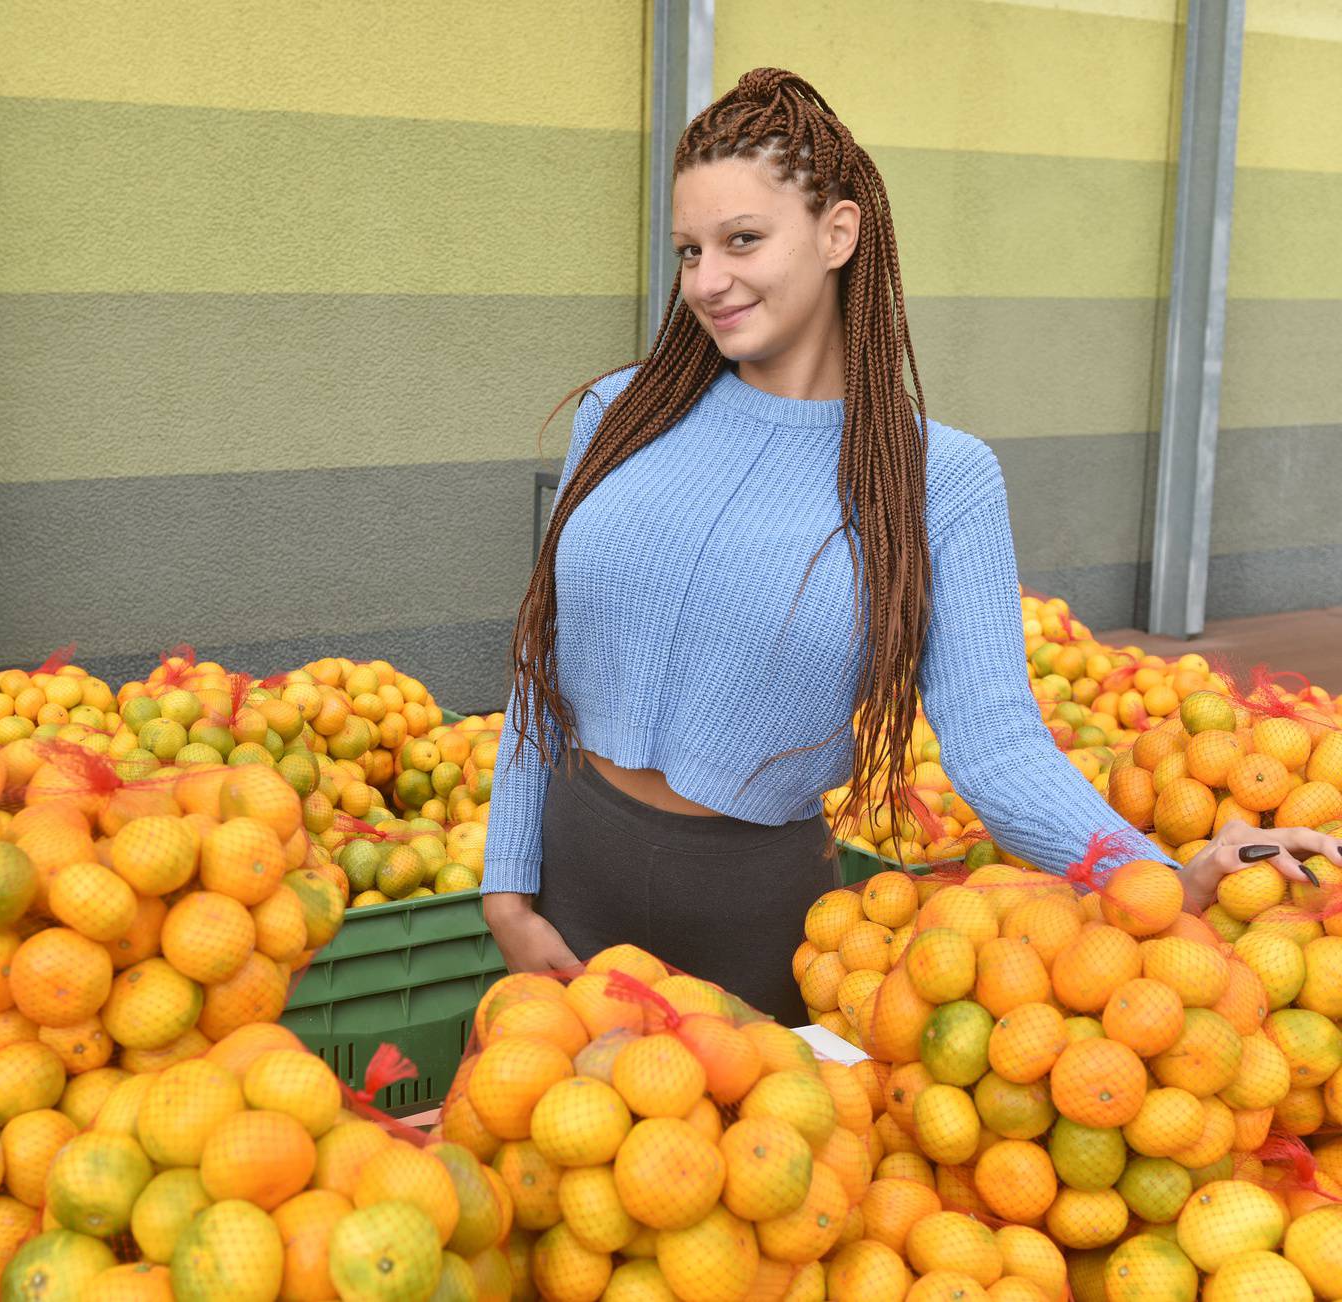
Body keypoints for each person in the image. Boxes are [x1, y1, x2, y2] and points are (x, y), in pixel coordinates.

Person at [480, 68, 1342, 1024]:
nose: (706, 281)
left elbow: (998, 747)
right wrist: (507, 889)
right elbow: (540, 667)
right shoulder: (622, 412)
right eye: (688, 250)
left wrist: (1161, 876)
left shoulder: (938, 478)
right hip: (569, 871)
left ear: (838, 234)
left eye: (743, 241)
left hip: (752, 911)